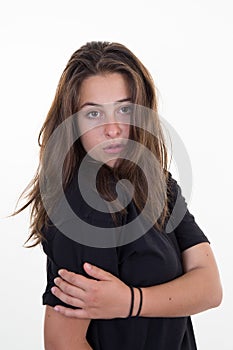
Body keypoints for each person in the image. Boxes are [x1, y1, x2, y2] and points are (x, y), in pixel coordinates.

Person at [17, 41, 222, 350]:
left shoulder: (158, 185)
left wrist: (130, 302)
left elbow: (209, 288)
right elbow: (62, 342)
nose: (113, 129)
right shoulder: (82, 210)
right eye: (93, 114)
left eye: (124, 109)